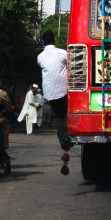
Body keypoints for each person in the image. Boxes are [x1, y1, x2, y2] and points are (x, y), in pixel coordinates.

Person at [37, 29, 72, 172]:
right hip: (63, 91)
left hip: (50, 93)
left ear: (43, 42)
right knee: (65, 114)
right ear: (54, 40)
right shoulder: (63, 53)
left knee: (58, 115)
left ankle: (63, 141)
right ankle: (67, 139)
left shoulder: (40, 57)